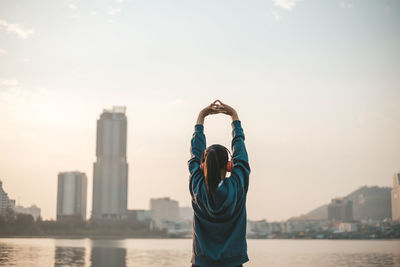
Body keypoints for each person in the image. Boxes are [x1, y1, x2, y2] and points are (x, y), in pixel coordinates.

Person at [188, 100, 250, 267]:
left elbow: (195, 152)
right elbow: (240, 151)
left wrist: (201, 117)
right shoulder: (238, 185)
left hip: (201, 263)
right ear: (230, 166)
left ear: (202, 166)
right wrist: (234, 117)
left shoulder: (197, 186)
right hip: (233, 263)